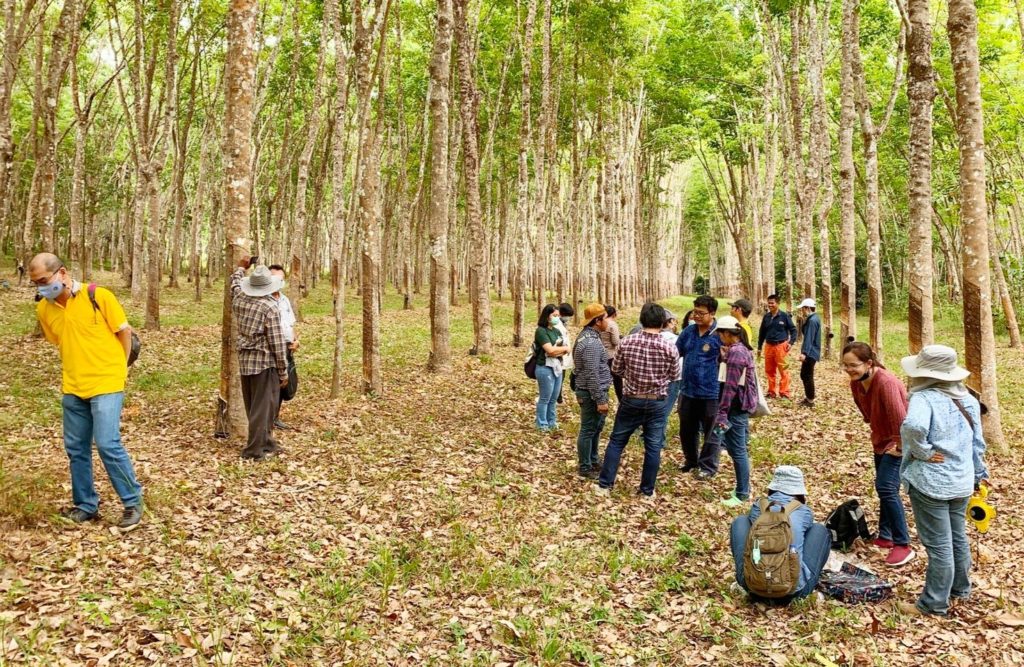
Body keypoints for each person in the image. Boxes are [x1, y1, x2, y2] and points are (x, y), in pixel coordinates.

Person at [28, 253, 143, 528]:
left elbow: (123, 331)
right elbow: (60, 340)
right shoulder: (44, 309)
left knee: (107, 443)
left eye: (44, 280)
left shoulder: (98, 296)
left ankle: (132, 501)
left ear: (63, 273)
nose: (41, 287)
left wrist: (121, 368)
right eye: (36, 284)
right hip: (73, 386)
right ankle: (85, 505)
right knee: (76, 448)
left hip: (107, 382)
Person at [899, 345, 991, 616]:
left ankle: (933, 603)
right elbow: (978, 443)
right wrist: (978, 474)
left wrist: (923, 452)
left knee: (939, 544)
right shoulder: (969, 399)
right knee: (957, 538)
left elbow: (913, 427)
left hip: (932, 484)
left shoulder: (924, 398)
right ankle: (960, 589)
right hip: (961, 480)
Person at [595, 302, 679, 501]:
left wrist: (632, 377)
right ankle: (647, 490)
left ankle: (605, 485)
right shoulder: (670, 346)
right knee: (653, 446)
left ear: (641, 320)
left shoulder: (627, 342)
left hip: (631, 399)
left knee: (617, 441)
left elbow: (616, 369)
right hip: (658, 402)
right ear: (663, 322)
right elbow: (675, 375)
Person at [844, 341, 915, 567]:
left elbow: (900, 418)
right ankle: (886, 535)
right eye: (845, 366)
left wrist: (901, 447)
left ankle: (903, 544)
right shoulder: (856, 383)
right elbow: (866, 412)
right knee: (886, 489)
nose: (849, 370)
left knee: (885, 487)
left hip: (899, 441)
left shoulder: (886, 382)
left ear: (869, 363)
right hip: (881, 440)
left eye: (853, 365)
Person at [729, 466, 831, 602]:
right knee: (819, 530)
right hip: (795, 591)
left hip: (753, 587)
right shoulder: (804, 511)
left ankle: (744, 579)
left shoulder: (758, 507)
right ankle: (805, 586)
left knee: (740, 521)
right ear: (799, 491)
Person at [230, 257, 290, 460]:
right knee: (262, 408)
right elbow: (276, 342)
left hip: (246, 360)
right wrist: (283, 370)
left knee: (256, 404)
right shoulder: (270, 308)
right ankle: (253, 451)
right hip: (265, 363)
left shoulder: (239, 299)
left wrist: (241, 268)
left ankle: (267, 442)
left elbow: (234, 284)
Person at [713, 316, 758, 508]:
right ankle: (742, 487)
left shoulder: (737, 354)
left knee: (738, 450)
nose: (719, 338)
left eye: (720, 334)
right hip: (736, 406)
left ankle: (742, 493)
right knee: (734, 448)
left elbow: (730, 387)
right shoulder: (738, 350)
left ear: (727, 333)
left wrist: (722, 412)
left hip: (735, 407)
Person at [676, 295, 722, 479]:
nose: (696, 316)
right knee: (687, 429)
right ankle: (691, 461)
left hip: (711, 391)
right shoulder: (688, 331)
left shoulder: (720, 334)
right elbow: (676, 352)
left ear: (712, 313)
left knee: (712, 431)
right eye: (695, 312)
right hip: (687, 390)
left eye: (701, 313)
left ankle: (708, 466)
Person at [573, 303, 612, 479]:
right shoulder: (591, 344)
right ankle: (585, 467)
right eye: (605, 318)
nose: (608, 322)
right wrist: (600, 399)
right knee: (589, 429)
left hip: (593, 391)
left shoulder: (589, 337)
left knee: (596, 428)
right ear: (597, 321)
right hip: (591, 393)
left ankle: (593, 460)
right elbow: (591, 374)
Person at [268, 265, 299, 430]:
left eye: (280, 279)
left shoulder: (284, 299)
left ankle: (275, 417)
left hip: (287, 346)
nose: (277, 282)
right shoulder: (264, 299)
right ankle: (267, 418)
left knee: (284, 383)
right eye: (274, 278)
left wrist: (295, 340)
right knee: (271, 383)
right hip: (272, 348)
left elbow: (290, 323)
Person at [534, 304, 569, 432]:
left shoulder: (556, 331)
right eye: (554, 315)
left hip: (557, 366)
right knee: (545, 397)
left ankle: (552, 421)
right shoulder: (541, 331)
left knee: (554, 398)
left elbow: (564, 349)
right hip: (544, 367)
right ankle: (541, 423)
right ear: (547, 316)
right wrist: (561, 350)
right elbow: (550, 350)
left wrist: (559, 350)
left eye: (558, 316)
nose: (557, 318)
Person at [757, 294, 797, 399]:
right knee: (769, 370)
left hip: (781, 346)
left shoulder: (784, 316)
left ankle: (784, 392)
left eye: (772, 303)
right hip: (769, 346)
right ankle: (771, 392)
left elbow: (793, 330)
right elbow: (762, 332)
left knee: (784, 370)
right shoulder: (766, 317)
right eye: (768, 303)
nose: (770, 305)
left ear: (777, 303)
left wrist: (791, 342)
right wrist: (759, 347)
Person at [659, 310, 683, 433]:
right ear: (669, 323)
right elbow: (680, 362)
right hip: (672, 380)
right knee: (664, 410)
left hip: (653, 380)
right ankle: (659, 439)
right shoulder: (675, 339)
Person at [797, 298, 821, 407]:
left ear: (807, 308)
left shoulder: (812, 320)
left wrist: (804, 353)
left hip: (811, 352)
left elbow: (809, 338)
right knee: (805, 374)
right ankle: (809, 398)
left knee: (807, 375)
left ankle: (810, 400)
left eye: (803, 308)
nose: (802, 310)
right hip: (813, 351)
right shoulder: (814, 318)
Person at [599, 305, 623, 401]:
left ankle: (603, 399)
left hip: (601, 354)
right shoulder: (612, 324)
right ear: (614, 314)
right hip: (611, 355)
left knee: (603, 378)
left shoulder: (600, 323)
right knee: (617, 381)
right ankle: (621, 400)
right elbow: (615, 341)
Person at [554, 303, 575, 404]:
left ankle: (559, 396)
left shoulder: (562, 324)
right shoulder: (556, 325)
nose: (568, 319)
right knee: (558, 377)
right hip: (558, 356)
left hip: (563, 356)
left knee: (561, 377)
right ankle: (557, 396)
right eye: (568, 316)